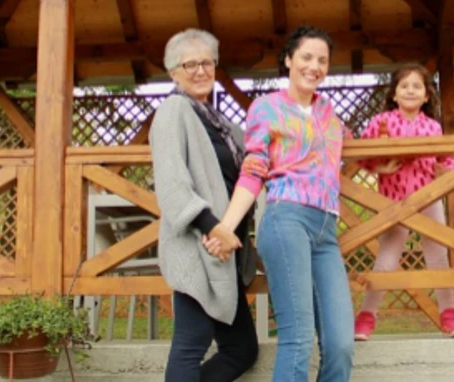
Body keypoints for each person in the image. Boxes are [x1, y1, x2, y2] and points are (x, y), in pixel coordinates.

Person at [205, 25, 355, 382]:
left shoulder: (328, 113)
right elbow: (254, 169)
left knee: (340, 345)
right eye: (306, 57)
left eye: (322, 61)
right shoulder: (267, 107)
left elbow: (342, 148)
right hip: (286, 220)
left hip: (326, 231)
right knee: (298, 339)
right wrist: (225, 225)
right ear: (288, 59)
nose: (314, 66)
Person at [150, 28, 259, 382]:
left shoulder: (223, 126)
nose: (200, 71)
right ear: (174, 72)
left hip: (222, 249)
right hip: (198, 245)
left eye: (207, 63)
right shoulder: (173, 111)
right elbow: (172, 184)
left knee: (241, 349)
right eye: (190, 64)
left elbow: (255, 167)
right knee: (191, 341)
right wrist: (214, 229)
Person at [353, 64, 454, 341]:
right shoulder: (380, 122)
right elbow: (362, 156)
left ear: (426, 96)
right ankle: (366, 318)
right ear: (394, 94)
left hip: (428, 198)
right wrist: (380, 168)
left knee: (438, 256)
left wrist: (444, 171)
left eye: (417, 86)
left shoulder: (433, 127)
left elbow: (447, 160)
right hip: (393, 202)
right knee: (386, 259)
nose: (410, 91)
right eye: (404, 86)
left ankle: (450, 315)